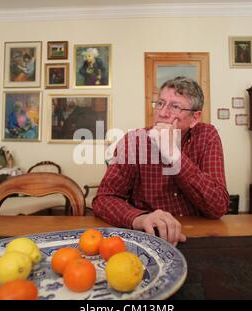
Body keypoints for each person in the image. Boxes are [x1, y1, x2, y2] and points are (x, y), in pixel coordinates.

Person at [93, 76, 229, 245]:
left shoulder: (207, 135)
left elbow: (218, 206)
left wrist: (174, 155)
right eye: (160, 103)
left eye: (175, 106)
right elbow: (103, 199)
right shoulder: (134, 140)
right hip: (150, 236)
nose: (163, 113)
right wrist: (140, 219)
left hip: (200, 235)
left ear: (195, 118)